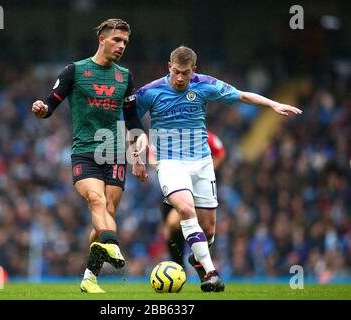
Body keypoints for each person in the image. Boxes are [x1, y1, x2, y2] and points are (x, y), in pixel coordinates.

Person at [136, 46, 302, 292]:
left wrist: (273, 104)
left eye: (185, 73)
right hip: (170, 162)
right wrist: (137, 155)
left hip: (202, 162)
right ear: (169, 67)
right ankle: (211, 272)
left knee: (209, 229)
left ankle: (197, 258)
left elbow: (242, 96)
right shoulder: (149, 91)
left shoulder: (205, 85)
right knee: (184, 207)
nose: (180, 78)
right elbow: (130, 120)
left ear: (194, 70)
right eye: (176, 72)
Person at [32, 18, 148, 293]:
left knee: (107, 212)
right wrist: (41, 109)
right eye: (117, 40)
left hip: (115, 153)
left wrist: (139, 150)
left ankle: (89, 278)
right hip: (84, 152)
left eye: (125, 42)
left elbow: (132, 120)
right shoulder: (76, 70)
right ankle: (113, 244)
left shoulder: (124, 76)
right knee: (96, 202)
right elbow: (50, 103)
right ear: (102, 39)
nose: (121, 46)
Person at [160, 131, 226, 278]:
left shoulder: (204, 136)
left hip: (199, 186)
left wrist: (207, 169)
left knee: (208, 230)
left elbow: (220, 152)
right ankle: (178, 264)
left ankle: (196, 258)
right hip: (174, 184)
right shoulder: (167, 136)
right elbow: (152, 154)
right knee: (171, 224)